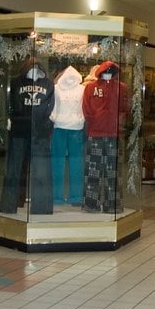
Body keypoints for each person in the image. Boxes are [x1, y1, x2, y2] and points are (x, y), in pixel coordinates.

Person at [0, 58, 55, 214]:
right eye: (31, 67)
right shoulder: (16, 83)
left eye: (37, 67)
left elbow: (51, 107)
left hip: (40, 133)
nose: (34, 69)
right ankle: (9, 205)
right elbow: (12, 105)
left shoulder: (48, 84)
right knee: (14, 170)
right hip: (19, 131)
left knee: (41, 171)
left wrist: (46, 125)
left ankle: (42, 208)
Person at [82, 60, 128, 213]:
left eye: (111, 70)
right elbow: (86, 110)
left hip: (114, 134)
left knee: (113, 172)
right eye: (106, 70)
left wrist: (118, 124)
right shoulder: (90, 87)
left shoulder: (122, 88)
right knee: (93, 170)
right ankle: (91, 203)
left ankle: (112, 204)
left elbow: (124, 108)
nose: (108, 72)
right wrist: (95, 120)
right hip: (96, 133)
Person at [50, 66, 86, 206]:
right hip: (66, 127)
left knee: (66, 163)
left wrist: (55, 118)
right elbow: (52, 105)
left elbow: (85, 106)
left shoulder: (81, 89)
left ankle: (64, 197)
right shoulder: (57, 88)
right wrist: (55, 118)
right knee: (68, 163)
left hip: (68, 127)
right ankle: (66, 197)